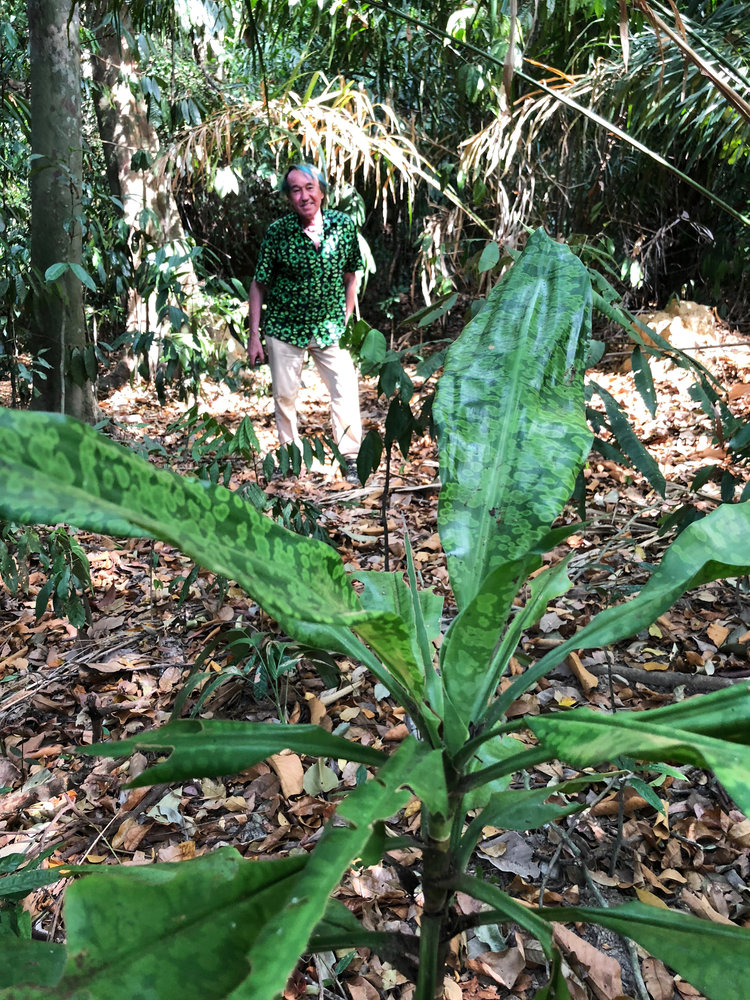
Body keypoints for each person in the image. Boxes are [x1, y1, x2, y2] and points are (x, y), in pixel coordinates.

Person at [246, 163, 364, 484]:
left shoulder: (343, 226)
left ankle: (351, 457)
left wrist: (346, 318)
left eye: (310, 187)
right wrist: (254, 336)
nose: (304, 196)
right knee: (285, 397)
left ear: (322, 191)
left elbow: (351, 276)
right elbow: (258, 284)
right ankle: (291, 459)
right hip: (285, 328)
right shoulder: (278, 232)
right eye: (295, 190)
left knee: (344, 389)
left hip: (330, 328)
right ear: (289, 198)